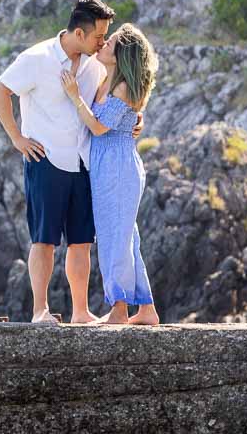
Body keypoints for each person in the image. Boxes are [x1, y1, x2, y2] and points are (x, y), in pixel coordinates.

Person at [0, 0, 123, 324]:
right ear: (79, 33)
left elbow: (107, 105)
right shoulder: (36, 58)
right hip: (45, 160)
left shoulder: (95, 66)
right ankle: (40, 311)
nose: (102, 42)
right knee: (44, 240)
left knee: (81, 242)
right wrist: (17, 138)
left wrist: (135, 122)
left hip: (83, 161)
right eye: (98, 36)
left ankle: (80, 312)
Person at [60, 22, 160, 325]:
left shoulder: (124, 87)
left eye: (111, 42)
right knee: (126, 237)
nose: (103, 44)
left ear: (122, 55)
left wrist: (75, 96)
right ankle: (147, 309)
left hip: (118, 166)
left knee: (115, 237)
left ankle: (118, 308)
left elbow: (99, 127)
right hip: (104, 166)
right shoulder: (106, 78)